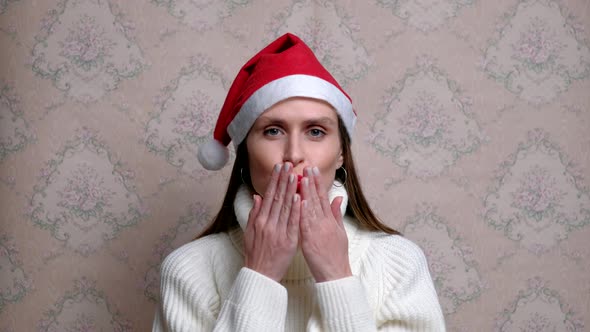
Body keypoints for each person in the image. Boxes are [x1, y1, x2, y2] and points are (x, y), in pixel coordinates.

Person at [152, 33, 445, 331]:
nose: (294, 154)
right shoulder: (187, 270)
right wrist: (260, 275)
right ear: (245, 154)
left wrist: (337, 276)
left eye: (316, 131)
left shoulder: (399, 264)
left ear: (341, 153)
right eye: (273, 131)